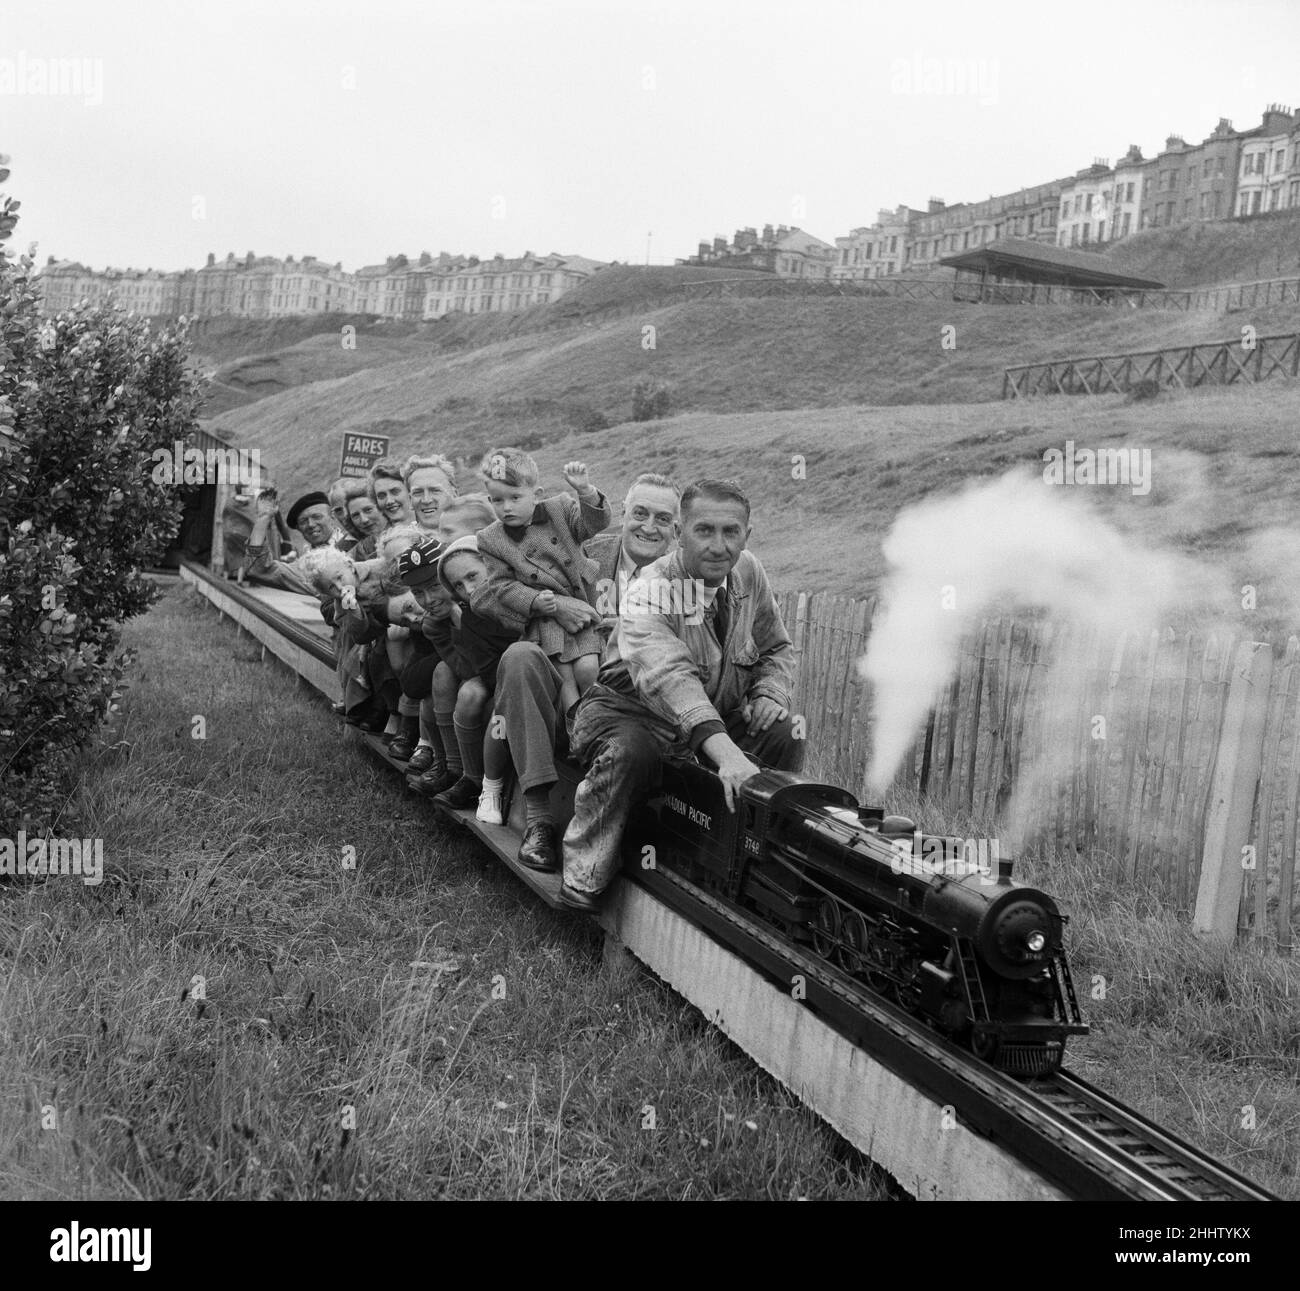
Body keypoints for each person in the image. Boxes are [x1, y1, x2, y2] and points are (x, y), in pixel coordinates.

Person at [557, 479, 803, 911]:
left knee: (784, 730)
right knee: (631, 752)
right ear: (680, 533)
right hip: (628, 715)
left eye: (731, 532)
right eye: (704, 531)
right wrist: (728, 756)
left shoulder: (750, 573)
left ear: (748, 534)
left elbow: (776, 647)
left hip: (711, 721)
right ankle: (585, 871)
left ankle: (751, 859)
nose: (719, 545)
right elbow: (670, 679)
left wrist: (769, 692)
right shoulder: (649, 590)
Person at [489, 473, 681, 872]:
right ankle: (539, 820)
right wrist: (551, 604)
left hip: (639, 721)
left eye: (662, 519)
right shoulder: (582, 549)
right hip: (568, 702)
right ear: (623, 514)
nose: (648, 526)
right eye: (640, 513)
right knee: (520, 656)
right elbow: (493, 598)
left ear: (677, 529)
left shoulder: (689, 580)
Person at [473, 448, 612, 719]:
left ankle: (601, 717)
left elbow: (593, 525)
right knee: (564, 677)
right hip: (546, 619)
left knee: (588, 667)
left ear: (536, 494)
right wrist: (536, 601)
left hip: (582, 603)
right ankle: (577, 726)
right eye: (497, 500)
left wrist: (585, 491)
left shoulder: (559, 508)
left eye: (515, 497)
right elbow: (501, 585)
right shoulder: (490, 539)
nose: (507, 507)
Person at [430, 535, 522, 811]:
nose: (469, 589)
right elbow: (490, 672)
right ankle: (473, 779)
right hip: (509, 680)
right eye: (458, 585)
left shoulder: (523, 593)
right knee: (485, 700)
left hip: (553, 670)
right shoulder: (471, 619)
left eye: (473, 576)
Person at [241, 489, 336, 595]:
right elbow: (258, 570)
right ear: (299, 529)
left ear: (332, 516)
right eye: (303, 521)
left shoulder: (352, 544)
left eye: (317, 517)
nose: (311, 524)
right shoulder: (307, 568)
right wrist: (264, 518)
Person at [403, 454, 458, 534]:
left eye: (435, 490)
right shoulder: (401, 543)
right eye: (418, 492)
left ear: (454, 494)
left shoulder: (473, 537)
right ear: (410, 500)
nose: (426, 500)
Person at [369, 459, 415, 527]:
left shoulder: (432, 532)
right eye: (381, 496)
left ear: (410, 492)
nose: (389, 501)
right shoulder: (380, 536)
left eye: (395, 492)